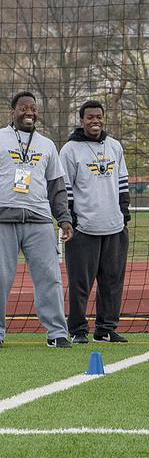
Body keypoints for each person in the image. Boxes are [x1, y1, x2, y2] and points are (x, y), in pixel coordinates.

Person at [0, 91, 74, 349]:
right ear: (13, 111)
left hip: (39, 220)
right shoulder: (0, 138)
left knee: (50, 278)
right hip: (3, 220)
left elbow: (57, 187)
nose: (29, 112)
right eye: (23, 108)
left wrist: (64, 219)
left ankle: (57, 333)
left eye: (33, 108)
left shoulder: (47, 145)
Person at [60, 100, 131, 344]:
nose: (95, 121)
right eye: (90, 117)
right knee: (80, 283)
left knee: (112, 282)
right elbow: (65, 188)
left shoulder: (114, 146)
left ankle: (106, 329)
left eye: (99, 116)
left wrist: (124, 214)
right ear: (82, 121)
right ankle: (78, 329)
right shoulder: (70, 150)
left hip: (114, 227)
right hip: (84, 229)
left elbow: (122, 182)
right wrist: (70, 219)